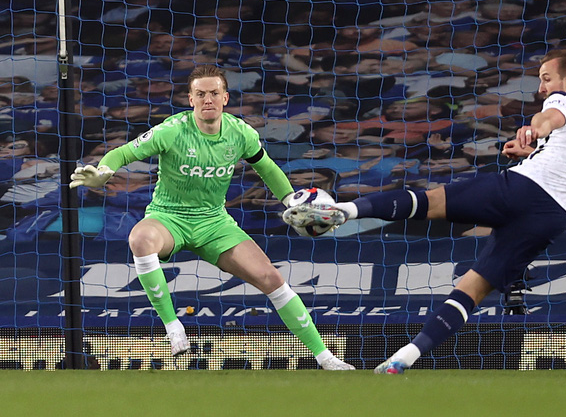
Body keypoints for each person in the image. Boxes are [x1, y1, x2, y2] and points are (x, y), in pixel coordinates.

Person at [283, 50, 566, 373]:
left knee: (428, 202)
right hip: (553, 218)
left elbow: (549, 117)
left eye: (547, 79)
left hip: (524, 190)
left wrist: (534, 130)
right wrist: (532, 149)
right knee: (473, 289)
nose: (541, 87)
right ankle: (406, 357)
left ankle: (342, 210)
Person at [69, 64, 354, 370]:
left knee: (272, 279)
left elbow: (266, 166)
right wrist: (103, 172)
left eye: (214, 93)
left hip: (215, 223)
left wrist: (289, 199)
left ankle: (326, 358)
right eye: (200, 93)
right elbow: (123, 152)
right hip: (169, 218)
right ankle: (173, 327)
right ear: (190, 99)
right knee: (140, 238)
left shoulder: (240, 132)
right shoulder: (172, 130)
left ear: (225, 98)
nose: (208, 99)